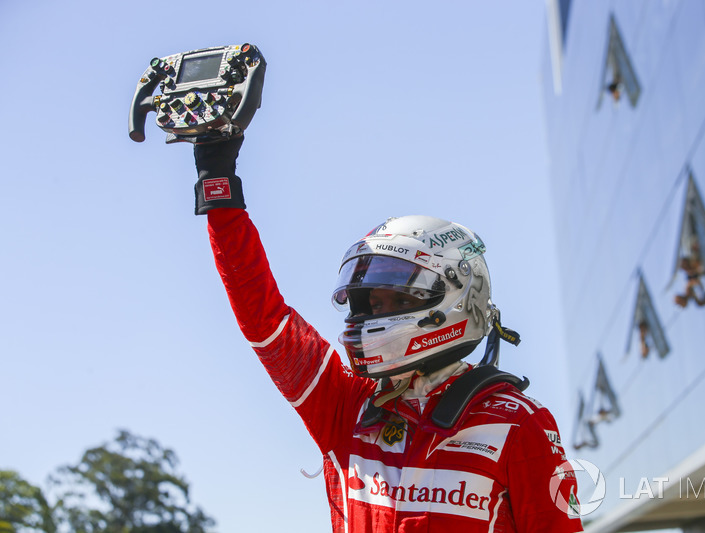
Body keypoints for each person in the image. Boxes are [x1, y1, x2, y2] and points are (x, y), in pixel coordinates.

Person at [191, 135, 584, 532]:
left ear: (456, 295)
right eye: (374, 305)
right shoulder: (348, 405)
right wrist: (218, 181)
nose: (379, 317)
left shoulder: (519, 423)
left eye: (398, 298)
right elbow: (265, 320)